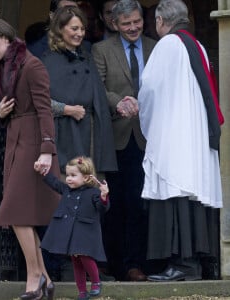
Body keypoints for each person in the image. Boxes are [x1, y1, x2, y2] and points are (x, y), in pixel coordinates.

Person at [0, 18, 60, 300]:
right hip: (16, 140)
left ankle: (35, 276)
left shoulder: (32, 66)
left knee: (16, 213)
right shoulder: (5, 69)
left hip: (33, 143)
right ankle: (44, 278)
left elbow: (45, 110)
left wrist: (47, 149)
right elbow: (11, 108)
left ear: (5, 37)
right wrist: (0, 114)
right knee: (20, 214)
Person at [138, 0, 223, 281]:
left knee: (176, 189)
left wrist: (148, 123)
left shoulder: (168, 44)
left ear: (161, 21)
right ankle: (197, 264)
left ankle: (183, 265)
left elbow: (149, 89)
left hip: (175, 133)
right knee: (192, 193)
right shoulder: (195, 45)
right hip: (194, 132)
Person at [91, 0, 156, 281]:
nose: (132, 28)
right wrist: (120, 103)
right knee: (116, 203)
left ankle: (136, 264)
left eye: (136, 21)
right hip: (118, 136)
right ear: (114, 24)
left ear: (143, 19)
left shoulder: (157, 47)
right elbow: (98, 87)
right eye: (126, 23)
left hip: (152, 136)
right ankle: (116, 263)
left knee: (142, 202)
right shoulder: (101, 50)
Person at [41, 6, 117, 175]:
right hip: (65, 134)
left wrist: (119, 103)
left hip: (90, 131)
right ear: (60, 29)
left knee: (92, 186)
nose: (80, 33)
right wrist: (67, 110)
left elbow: (99, 94)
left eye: (82, 29)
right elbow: (40, 101)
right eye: (74, 28)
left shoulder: (86, 57)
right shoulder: (49, 60)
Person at [34, 156, 110, 300]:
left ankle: (96, 282)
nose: (68, 179)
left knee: (85, 257)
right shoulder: (67, 189)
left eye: (73, 175)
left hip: (85, 232)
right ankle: (82, 292)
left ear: (86, 177)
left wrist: (104, 195)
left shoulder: (94, 193)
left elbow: (102, 208)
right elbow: (54, 183)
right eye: (68, 175)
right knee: (76, 262)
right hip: (72, 232)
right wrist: (43, 171)